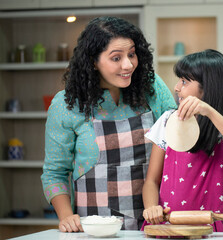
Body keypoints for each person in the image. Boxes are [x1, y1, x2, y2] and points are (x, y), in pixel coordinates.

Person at [41, 16, 177, 232]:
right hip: (95, 229)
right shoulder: (66, 104)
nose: (128, 64)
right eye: (116, 58)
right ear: (93, 62)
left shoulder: (151, 89)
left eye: (132, 54)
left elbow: (177, 144)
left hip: (154, 223)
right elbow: (54, 173)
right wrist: (66, 216)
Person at [141, 49, 223, 232]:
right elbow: (151, 181)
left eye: (184, 81)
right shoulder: (168, 120)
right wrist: (151, 208)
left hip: (213, 230)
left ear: (209, 87)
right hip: (167, 227)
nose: (176, 87)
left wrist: (210, 112)